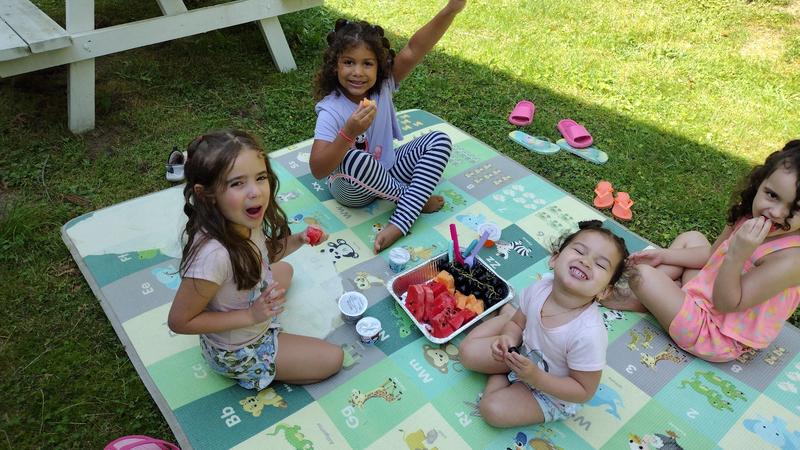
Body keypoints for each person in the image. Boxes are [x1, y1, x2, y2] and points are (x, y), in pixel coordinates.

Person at [168, 130, 343, 390]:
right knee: (333, 358)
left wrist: (298, 239)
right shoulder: (212, 257)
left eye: (260, 178)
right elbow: (179, 321)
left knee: (284, 269)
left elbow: (262, 253)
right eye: (237, 183)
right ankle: (253, 370)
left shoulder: (242, 217)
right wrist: (252, 315)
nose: (256, 192)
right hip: (238, 348)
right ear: (207, 195)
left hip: (250, 307)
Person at [603, 140, 800, 362]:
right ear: (760, 182)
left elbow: (728, 304)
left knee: (642, 275)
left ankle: (639, 299)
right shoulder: (748, 216)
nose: (776, 212)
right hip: (704, 296)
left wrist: (737, 255)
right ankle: (665, 295)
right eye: (772, 195)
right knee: (692, 238)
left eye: (796, 208)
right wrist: (664, 255)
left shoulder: (791, 260)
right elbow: (711, 256)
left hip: (716, 335)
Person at [310, 1, 467, 253]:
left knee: (439, 140)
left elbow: (415, 49)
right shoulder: (332, 110)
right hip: (352, 189)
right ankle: (412, 204)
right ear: (335, 65)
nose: (358, 72)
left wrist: (451, 10)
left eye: (367, 63)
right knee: (353, 158)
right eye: (349, 62)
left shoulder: (383, 85)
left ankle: (402, 213)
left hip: (389, 171)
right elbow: (318, 169)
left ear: (379, 66)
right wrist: (347, 134)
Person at [458, 220, 629, 427]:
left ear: (605, 291)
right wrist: (508, 338)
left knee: (493, 410)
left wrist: (535, 378)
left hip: (552, 393)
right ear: (554, 259)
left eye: (600, 264)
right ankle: (505, 318)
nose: (586, 262)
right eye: (579, 251)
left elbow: (584, 391)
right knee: (466, 353)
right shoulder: (540, 289)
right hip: (521, 355)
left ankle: (500, 374)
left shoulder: (588, 334)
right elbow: (517, 324)